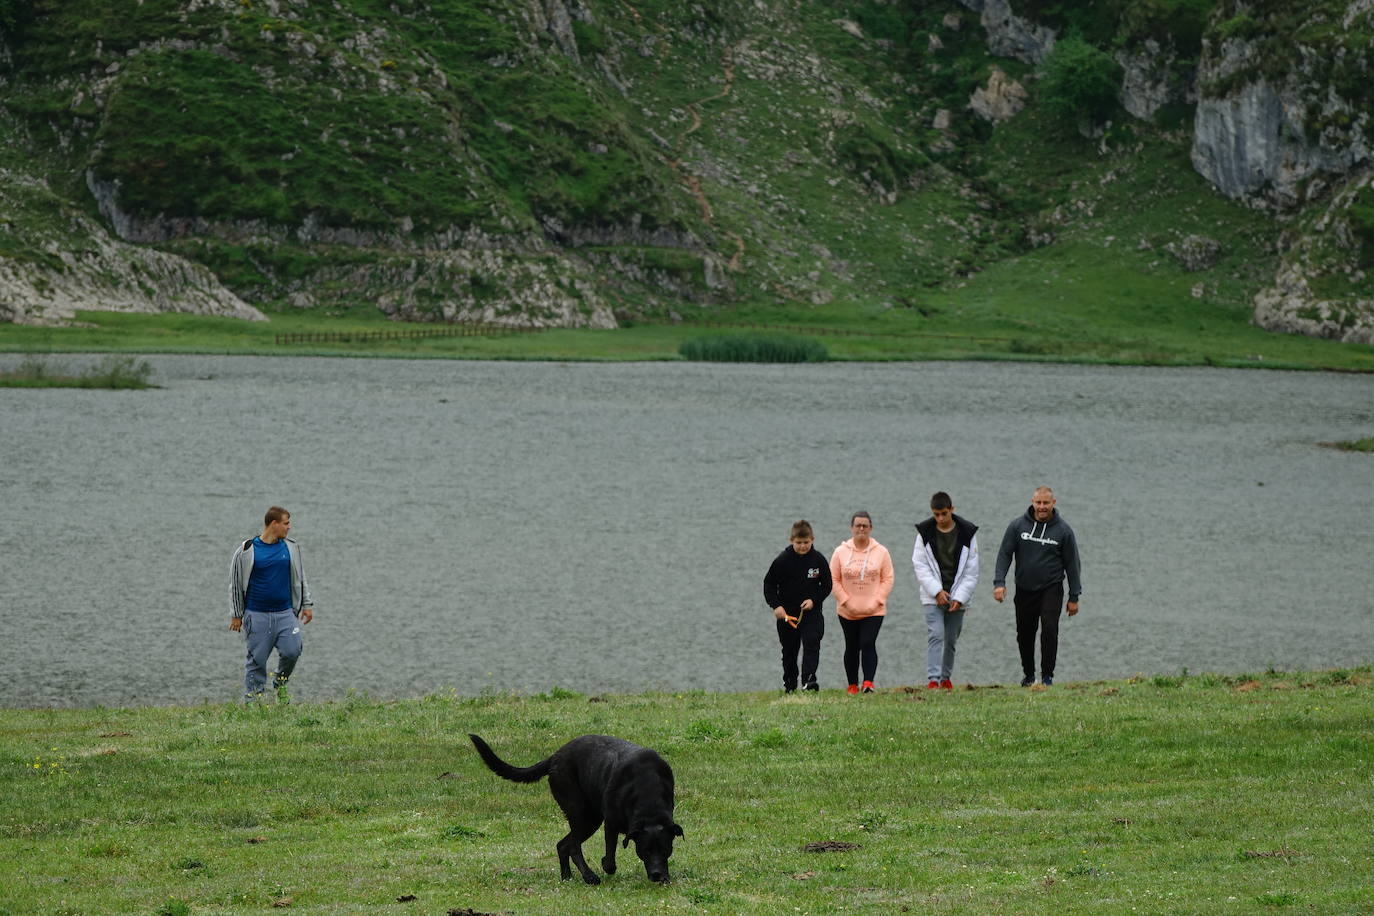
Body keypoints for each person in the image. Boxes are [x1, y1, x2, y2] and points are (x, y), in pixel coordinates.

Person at [992, 486, 1081, 687]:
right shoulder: (1017, 526)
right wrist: (999, 583)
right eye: (1038, 502)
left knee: (1049, 629)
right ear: (1032, 502)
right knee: (1025, 633)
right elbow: (1004, 554)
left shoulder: (1064, 531)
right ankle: (1029, 675)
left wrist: (1074, 596)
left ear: (1053, 503)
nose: (1042, 507)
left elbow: (1073, 565)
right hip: (1024, 588)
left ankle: (1047, 676)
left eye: (1046, 503)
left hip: (1051, 588)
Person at [229, 506, 316, 702]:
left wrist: (307, 605)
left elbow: (300, 578)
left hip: (285, 613)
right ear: (274, 524)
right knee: (257, 660)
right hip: (256, 614)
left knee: (292, 651)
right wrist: (236, 614)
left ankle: (280, 683)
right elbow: (235, 583)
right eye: (286, 523)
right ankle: (254, 700)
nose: (289, 527)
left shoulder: (291, 548)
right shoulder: (246, 550)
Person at [911, 492, 979, 690]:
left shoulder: (968, 533)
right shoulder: (924, 533)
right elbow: (920, 566)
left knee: (951, 639)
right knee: (936, 634)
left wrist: (960, 597)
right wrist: (936, 591)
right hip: (932, 596)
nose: (940, 518)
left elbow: (972, 571)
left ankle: (945, 678)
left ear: (952, 509)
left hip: (958, 596)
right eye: (936, 514)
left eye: (943, 514)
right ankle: (933, 679)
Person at [763, 520, 833, 693]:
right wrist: (776, 606)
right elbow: (769, 585)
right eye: (799, 542)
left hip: (811, 613)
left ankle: (809, 680)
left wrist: (814, 600)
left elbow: (827, 585)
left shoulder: (818, 560)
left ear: (812, 539)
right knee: (789, 650)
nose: (802, 546)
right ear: (791, 540)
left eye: (806, 542)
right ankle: (790, 683)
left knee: (812, 642)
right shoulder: (782, 560)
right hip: (788, 615)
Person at [830, 511, 894, 694]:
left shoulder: (881, 552)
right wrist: (845, 600)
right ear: (851, 528)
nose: (861, 529)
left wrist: (878, 600)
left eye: (865, 525)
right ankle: (852, 684)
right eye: (858, 525)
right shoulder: (840, 552)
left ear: (871, 528)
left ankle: (868, 683)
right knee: (851, 646)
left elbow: (888, 578)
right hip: (847, 610)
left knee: (867, 643)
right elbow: (833, 579)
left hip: (874, 610)